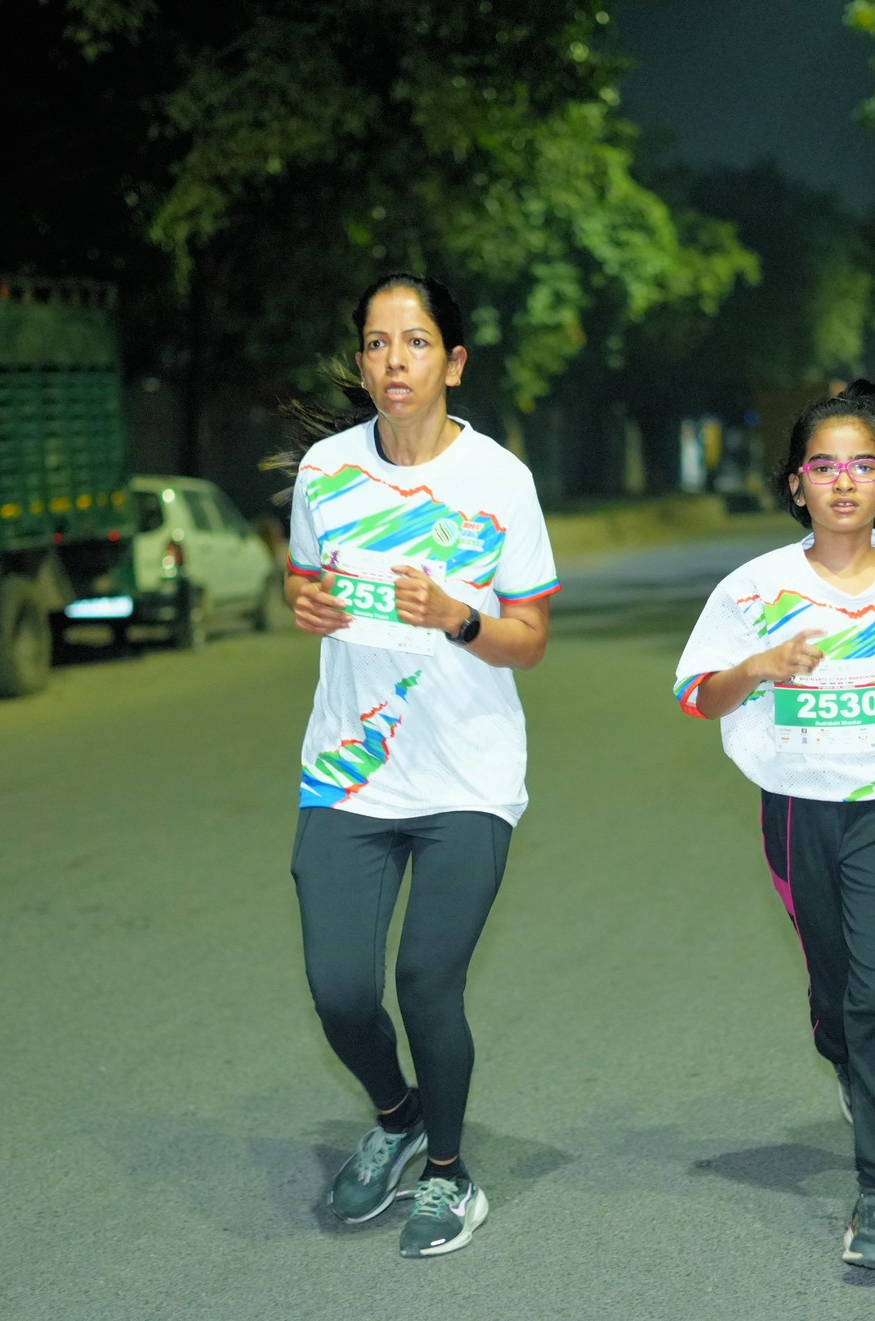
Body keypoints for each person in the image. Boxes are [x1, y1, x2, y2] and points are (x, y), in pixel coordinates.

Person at [672, 380, 875, 1276]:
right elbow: (698, 695)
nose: (842, 480)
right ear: (795, 483)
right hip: (794, 813)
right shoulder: (754, 588)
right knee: (837, 993)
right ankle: (845, 1057)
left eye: (861, 464)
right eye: (822, 465)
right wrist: (759, 665)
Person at [281, 272, 559, 1259]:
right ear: (360, 363)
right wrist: (305, 606)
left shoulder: (498, 480)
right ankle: (397, 1119)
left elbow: (529, 638)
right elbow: (304, 583)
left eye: (415, 341)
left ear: (454, 362)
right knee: (340, 991)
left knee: (426, 981)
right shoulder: (324, 470)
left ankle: (448, 1171)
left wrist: (458, 616)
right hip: (348, 771)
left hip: (466, 776)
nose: (393, 360)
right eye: (376, 343)